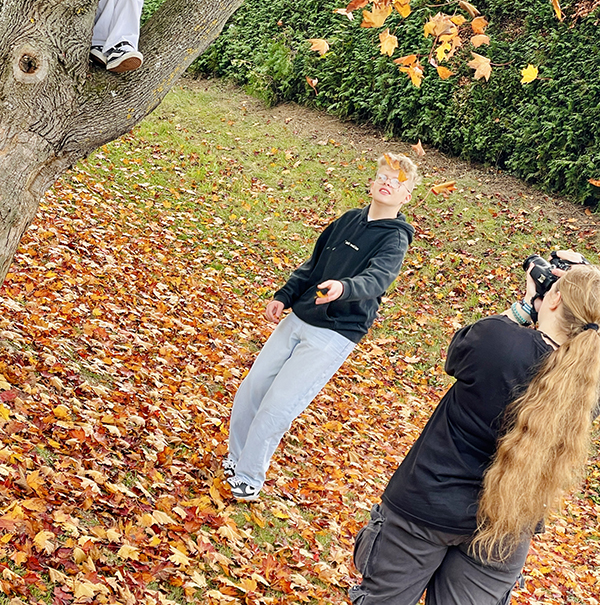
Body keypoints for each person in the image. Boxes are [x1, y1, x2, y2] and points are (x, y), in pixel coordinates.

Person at [349, 256, 600, 605]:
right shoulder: (588, 386)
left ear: (554, 299)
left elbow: (456, 353)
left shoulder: (497, 340)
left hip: (426, 507)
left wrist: (526, 305)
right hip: (507, 526)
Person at [224, 152, 419, 501]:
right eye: (383, 175)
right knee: (252, 389)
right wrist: (285, 295)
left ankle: (250, 476)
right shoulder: (346, 221)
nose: (388, 182)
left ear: (406, 197)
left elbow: (377, 279)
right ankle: (236, 458)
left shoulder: (395, 238)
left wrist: (344, 288)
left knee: (279, 404)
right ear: (372, 184)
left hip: (335, 331)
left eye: (398, 181)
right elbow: (313, 265)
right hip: (300, 315)